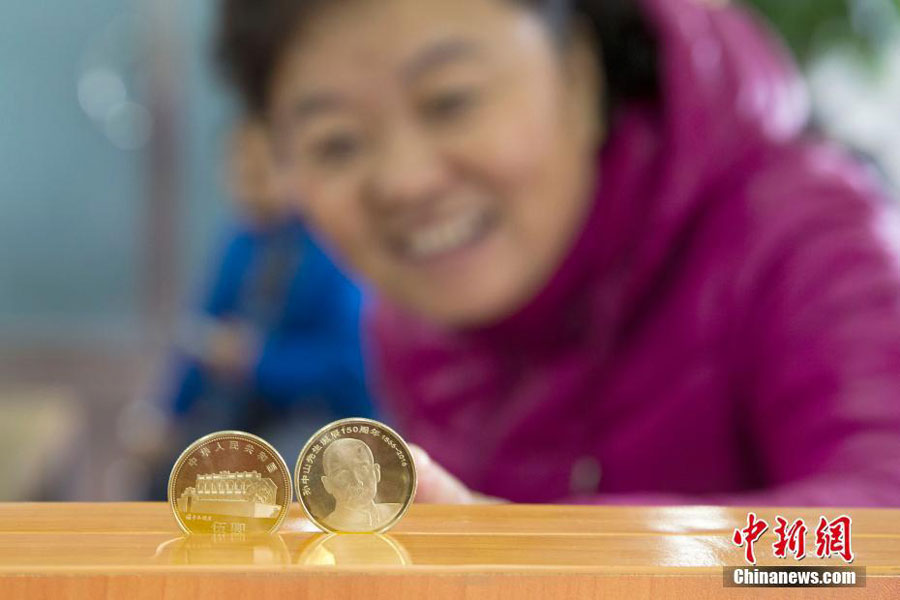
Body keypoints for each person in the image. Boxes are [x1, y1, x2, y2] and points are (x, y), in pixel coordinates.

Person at [214, 0, 900, 506]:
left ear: (578, 76)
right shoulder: (406, 321)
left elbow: (872, 543)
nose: (404, 180)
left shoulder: (805, 235)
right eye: (336, 142)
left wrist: (556, 560)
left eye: (451, 102)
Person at [158, 121, 375, 486]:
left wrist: (255, 360)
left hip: (322, 422)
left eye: (259, 173)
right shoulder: (241, 241)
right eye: (238, 172)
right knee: (170, 471)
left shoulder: (330, 246)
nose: (247, 188)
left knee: (264, 482)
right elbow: (203, 334)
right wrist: (167, 414)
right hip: (248, 412)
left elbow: (350, 366)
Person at [320, 438, 401, 531]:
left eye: (362, 469)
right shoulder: (326, 523)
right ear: (327, 484)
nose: (357, 481)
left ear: (376, 472)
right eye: (343, 475)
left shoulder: (394, 512)